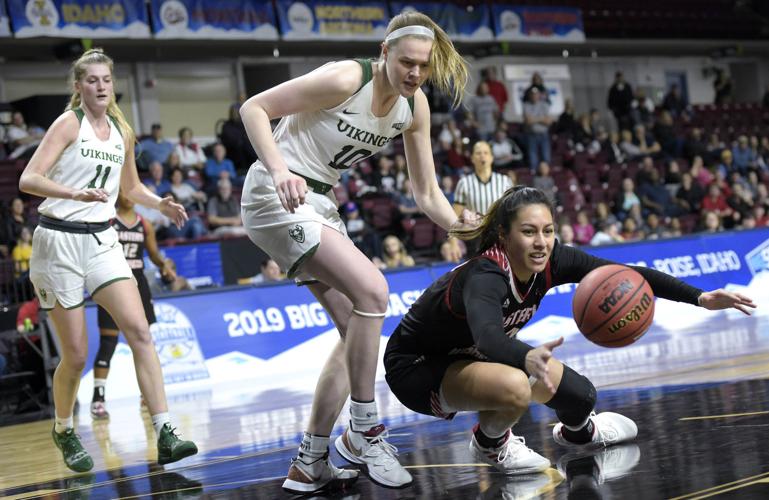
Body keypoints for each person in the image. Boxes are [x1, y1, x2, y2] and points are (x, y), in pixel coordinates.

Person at [238, 11, 473, 494]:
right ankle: (366, 430)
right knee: (374, 289)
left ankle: (311, 461)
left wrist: (460, 225)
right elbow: (253, 108)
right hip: (274, 193)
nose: (414, 73)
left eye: (423, 67)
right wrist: (281, 168)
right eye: (406, 62)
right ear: (385, 53)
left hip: (318, 203)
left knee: (355, 333)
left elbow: (426, 193)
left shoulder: (415, 107)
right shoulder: (348, 77)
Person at [384, 186, 755, 476]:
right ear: (503, 234)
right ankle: (490, 443)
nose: (541, 242)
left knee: (580, 397)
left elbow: (624, 274)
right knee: (517, 386)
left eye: (547, 231)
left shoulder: (553, 258)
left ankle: (580, 433)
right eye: (528, 232)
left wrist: (700, 297)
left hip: (471, 356)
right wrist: (526, 357)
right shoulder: (486, 275)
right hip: (417, 367)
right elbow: (488, 338)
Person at [18, 48, 197, 473]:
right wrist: (72, 194)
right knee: (77, 355)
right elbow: (29, 179)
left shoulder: (121, 129)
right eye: (92, 80)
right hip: (58, 241)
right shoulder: (68, 124)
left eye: (106, 80)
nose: (100, 86)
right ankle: (63, 428)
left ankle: (166, 430)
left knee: (139, 329)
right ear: (78, 87)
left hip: (102, 240)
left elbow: (129, 187)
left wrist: (160, 204)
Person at [90, 191, 176, 420]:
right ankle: (98, 398)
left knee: (143, 341)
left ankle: (145, 395)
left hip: (139, 284)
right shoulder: (108, 221)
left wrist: (164, 265)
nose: (127, 197)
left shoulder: (144, 224)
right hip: (112, 282)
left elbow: (154, 254)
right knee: (108, 342)